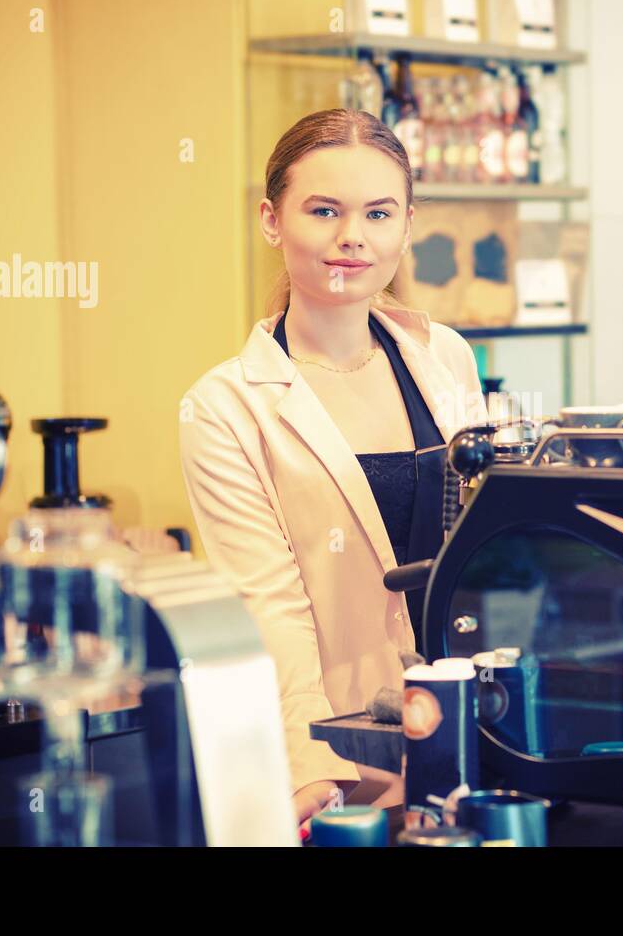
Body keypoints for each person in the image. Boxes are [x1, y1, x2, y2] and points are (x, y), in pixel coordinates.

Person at [179, 109, 487, 833]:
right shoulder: (224, 407)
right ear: (272, 220)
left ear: (407, 224)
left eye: (379, 213)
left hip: (469, 730)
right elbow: (269, 607)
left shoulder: (444, 358)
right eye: (324, 210)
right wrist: (309, 768)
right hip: (340, 755)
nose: (353, 237)